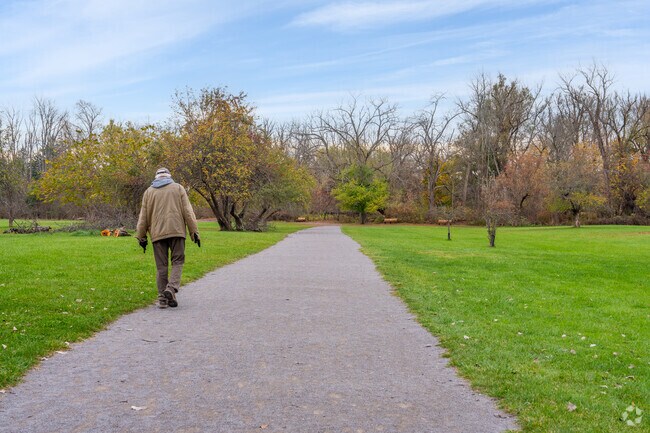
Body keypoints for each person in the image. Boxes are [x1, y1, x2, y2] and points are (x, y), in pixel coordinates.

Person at [136, 168, 200, 309]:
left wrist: (141, 236)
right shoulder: (178, 188)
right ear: (169, 176)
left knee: (161, 267)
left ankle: (163, 299)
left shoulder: (148, 192)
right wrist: (194, 231)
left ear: (156, 178)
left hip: (157, 234)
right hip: (177, 231)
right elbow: (188, 212)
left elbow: (143, 217)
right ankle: (170, 289)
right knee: (178, 261)